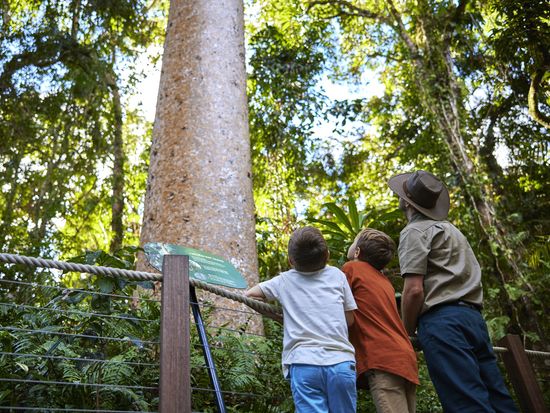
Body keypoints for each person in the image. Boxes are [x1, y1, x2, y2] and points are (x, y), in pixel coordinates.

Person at [388, 170, 518, 413]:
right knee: (498, 399)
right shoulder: (453, 231)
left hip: (443, 323)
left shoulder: (414, 232)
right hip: (474, 320)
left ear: (406, 201)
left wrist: (406, 332)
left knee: (465, 402)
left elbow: (414, 290)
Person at [245, 226, 358, 413]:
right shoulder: (337, 276)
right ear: (327, 255)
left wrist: (281, 317)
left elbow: (249, 296)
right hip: (341, 363)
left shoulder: (284, 281)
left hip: (304, 363)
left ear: (291, 260)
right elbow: (350, 320)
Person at [343, 228, 419, 413]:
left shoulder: (352, 268)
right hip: (405, 358)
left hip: (383, 358)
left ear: (358, 252)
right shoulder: (385, 281)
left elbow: (333, 302)